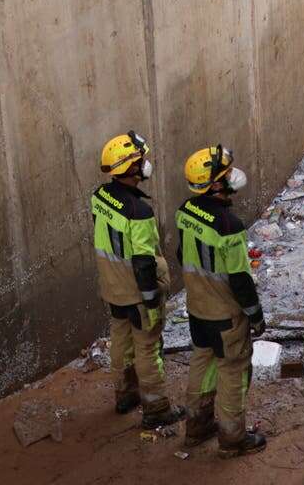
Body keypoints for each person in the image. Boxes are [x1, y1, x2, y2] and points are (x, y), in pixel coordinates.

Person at [175, 146, 267, 457]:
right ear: (215, 184)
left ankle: (197, 425)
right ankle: (232, 438)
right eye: (226, 173)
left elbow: (180, 254)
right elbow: (240, 278)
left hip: (197, 308)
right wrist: (255, 315)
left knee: (202, 361)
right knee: (233, 371)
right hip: (226, 314)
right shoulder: (229, 226)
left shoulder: (186, 210)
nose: (232, 176)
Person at [91, 132, 184, 428]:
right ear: (130, 167)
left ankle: (124, 394)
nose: (146, 163)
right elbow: (144, 260)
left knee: (120, 340)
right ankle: (156, 408)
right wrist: (151, 298)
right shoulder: (139, 211)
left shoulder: (99, 196)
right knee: (148, 346)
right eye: (141, 159)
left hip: (111, 285)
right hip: (136, 290)